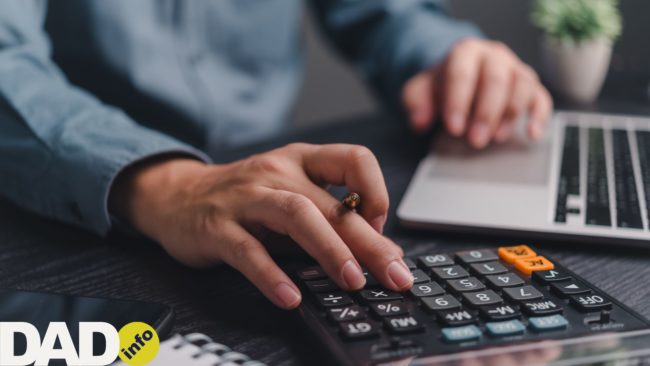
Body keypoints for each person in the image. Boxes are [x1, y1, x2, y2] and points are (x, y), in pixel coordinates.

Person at [0, 1, 552, 309]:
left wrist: (447, 55)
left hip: (277, 208)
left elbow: (386, 13)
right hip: (63, 220)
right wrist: (168, 183)